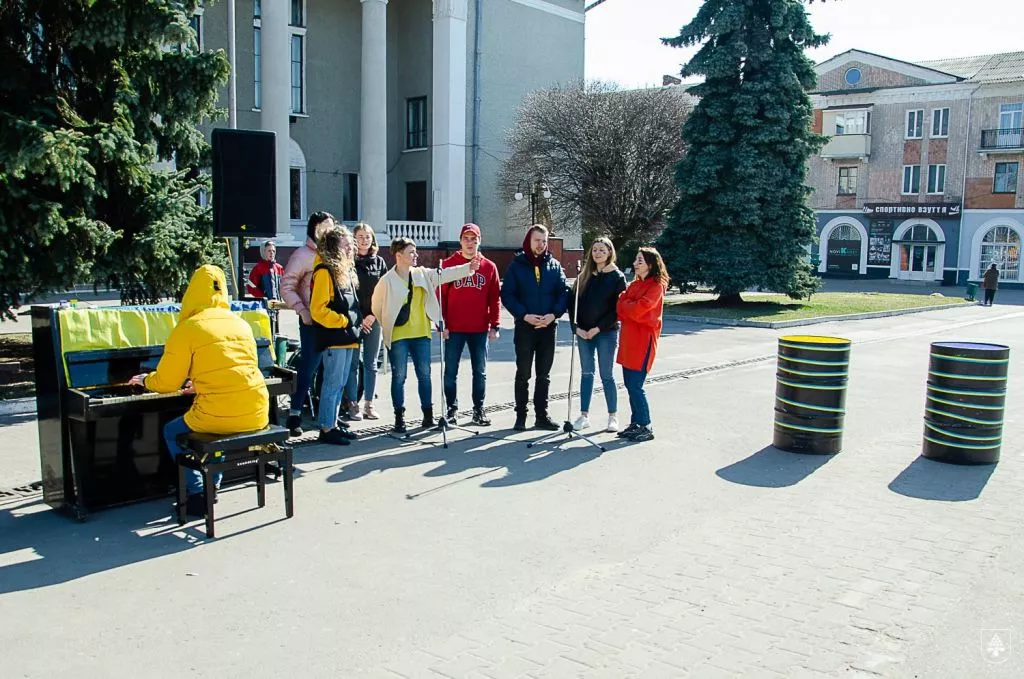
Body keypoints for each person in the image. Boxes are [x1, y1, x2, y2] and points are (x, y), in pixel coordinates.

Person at [128, 265, 269, 518]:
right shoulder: (241, 324)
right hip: (256, 410)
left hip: (218, 415)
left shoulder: (188, 328)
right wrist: (201, 382)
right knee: (218, 432)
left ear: (192, 292)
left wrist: (146, 380)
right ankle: (213, 485)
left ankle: (197, 492)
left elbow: (167, 383)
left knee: (172, 431)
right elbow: (236, 370)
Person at [371, 237, 481, 434]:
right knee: (399, 376)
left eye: (416, 251)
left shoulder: (421, 273)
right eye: (411, 252)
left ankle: (427, 416)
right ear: (399, 255)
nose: (416, 255)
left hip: (421, 333)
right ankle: (399, 417)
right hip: (398, 335)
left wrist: (468, 268)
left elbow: (444, 274)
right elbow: (376, 306)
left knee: (424, 375)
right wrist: (387, 322)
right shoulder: (386, 280)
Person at [500, 224, 569, 431]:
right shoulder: (517, 265)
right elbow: (508, 295)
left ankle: (542, 416)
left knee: (543, 375)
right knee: (523, 373)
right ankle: (521, 416)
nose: (541, 244)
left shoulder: (554, 265)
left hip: (548, 327)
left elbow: (563, 292)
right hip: (525, 327)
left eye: (544, 241)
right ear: (528, 241)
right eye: (537, 240)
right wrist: (524, 315)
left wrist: (553, 314)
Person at [440, 223, 501, 426]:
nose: (469, 243)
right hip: (454, 328)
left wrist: (495, 325)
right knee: (450, 371)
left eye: (473, 239)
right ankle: (452, 409)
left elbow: (494, 298)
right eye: (466, 239)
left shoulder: (489, 267)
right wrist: (442, 324)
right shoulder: (449, 264)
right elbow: (441, 297)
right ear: (460, 241)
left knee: (480, 371)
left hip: (479, 328)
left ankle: (478, 410)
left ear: (479, 241)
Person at [281, 210, 336, 436]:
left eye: (332, 227)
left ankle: (328, 418)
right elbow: (287, 286)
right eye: (326, 227)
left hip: (333, 320)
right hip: (312, 321)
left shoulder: (333, 254)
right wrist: (301, 310)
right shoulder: (302, 255)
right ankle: (294, 414)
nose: (330, 231)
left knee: (330, 369)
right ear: (315, 228)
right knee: (309, 366)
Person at [567, 236, 627, 433]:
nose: (598, 253)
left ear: (609, 252)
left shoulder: (617, 277)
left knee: (606, 374)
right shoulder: (584, 276)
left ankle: (613, 416)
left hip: (605, 333)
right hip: (583, 332)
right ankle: (584, 416)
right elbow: (572, 304)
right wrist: (576, 327)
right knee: (586, 373)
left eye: (602, 250)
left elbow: (617, 310)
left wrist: (598, 328)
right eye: (595, 250)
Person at [309, 226, 362, 445]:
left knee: (339, 384)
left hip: (347, 337)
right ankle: (326, 428)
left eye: (350, 244)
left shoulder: (344, 271)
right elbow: (317, 309)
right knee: (332, 384)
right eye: (345, 244)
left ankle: (332, 423)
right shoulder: (324, 271)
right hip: (335, 338)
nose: (350, 247)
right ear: (333, 246)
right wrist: (343, 321)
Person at [616, 247, 668, 442]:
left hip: (643, 341)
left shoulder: (656, 286)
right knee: (629, 385)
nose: (635, 263)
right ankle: (636, 422)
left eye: (640, 260)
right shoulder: (635, 284)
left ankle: (646, 425)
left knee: (636, 385)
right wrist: (628, 305)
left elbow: (639, 310)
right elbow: (620, 304)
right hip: (628, 340)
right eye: (636, 260)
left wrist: (627, 306)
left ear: (650, 264)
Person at [342, 223, 387, 421]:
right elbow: (345, 293)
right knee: (352, 363)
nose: (364, 240)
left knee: (371, 363)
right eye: (360, 237)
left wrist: (373, 315)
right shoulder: (348, 261)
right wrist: (359, 318)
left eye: (367, 236)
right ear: (354, 239)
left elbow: (385, 292)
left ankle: (369, 403)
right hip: (353, 320)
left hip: (373, 319)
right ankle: (353, 404)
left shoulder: (379, 262)